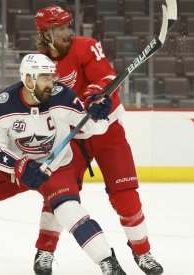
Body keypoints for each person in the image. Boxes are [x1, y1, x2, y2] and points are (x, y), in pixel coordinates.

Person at [0, 54, 126, 275]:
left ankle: (110, 264)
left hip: (56, 167)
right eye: (44, 78)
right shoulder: (1, 106)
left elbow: (92, 128)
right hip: (16, 169)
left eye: (51, 77)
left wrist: (100, 114)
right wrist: (19, 166)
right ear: (28, 79)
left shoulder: (62, 96)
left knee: (69, 211)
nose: (51, 83)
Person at [32, 5, 163, 275]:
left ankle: (143, 252)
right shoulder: (38, 63)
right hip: (72, 139)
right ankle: (44, 251)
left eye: (68, 26)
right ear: (46, 35)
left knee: (126, 196)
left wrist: (95, 96)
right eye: (60, 29)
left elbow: (105, 78)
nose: (68, 33)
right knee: (57, 195)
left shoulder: (86, 46)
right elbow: (39, 100)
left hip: (107, 131)